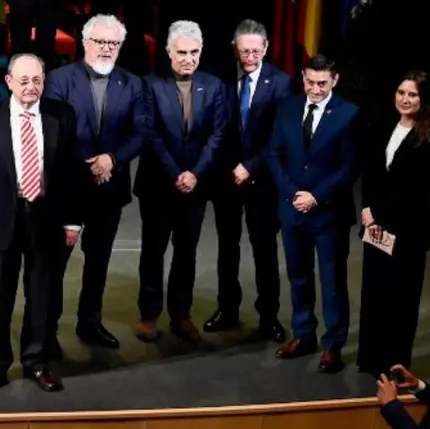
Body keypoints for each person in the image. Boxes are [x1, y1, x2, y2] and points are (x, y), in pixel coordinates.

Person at [0, 54, 84, 392]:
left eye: (37, 80)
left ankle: (36, 362)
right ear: (8, 82)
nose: (31, 87)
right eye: (23, 81)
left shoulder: (61, 115)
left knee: (41, 295)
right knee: (0, 296)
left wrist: (73, 222)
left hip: (46, 217)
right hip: (4, 218)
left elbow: (72, 173)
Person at [42, 14, 145, 353]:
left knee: (98, 261)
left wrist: (111, 160)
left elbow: (141, 131)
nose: (106, 49)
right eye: (100, 42)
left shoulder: (132, 83)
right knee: (55, 264)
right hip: (68, 189)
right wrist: (91, 162)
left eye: (113, 44)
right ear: (84, 43)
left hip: (109, 188)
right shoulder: (58, 80)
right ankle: (47, 331)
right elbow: (55, 132)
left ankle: (90, 322)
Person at [133, 21, 227, 342]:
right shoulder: (149, 84)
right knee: (153, 250)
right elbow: (149, 133)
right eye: (182, 52)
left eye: (194, 52)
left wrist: (195, 174)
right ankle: (148, 314)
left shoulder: (214, 86)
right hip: (159, 184)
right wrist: (176, 173)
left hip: (196, 185)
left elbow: (217, 134)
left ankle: (181, 314)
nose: (189, 58)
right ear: (169, 52)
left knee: (187, 251)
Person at [267, 54, 360, 373]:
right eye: (309, 82)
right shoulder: (288, 108)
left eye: (322, 83)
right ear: (303, 77)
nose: (315, 89)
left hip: (328, 214)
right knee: (298, 275)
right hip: (293, 210)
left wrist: (316, 197)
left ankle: (333, 344)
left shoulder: (348, 114)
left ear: (334, 81)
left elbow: (349, 168)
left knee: (332, 281)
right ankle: (303, 334)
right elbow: (274, 155)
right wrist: (294, 194)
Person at [205, 20, 292, 342]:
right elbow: (216, 129)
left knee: (264, 249)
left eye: (256, 50)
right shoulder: (220, 81)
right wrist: (232, 166)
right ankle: (227, 310)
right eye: (245, 51)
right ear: (235, 48)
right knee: (227, 248)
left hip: (262, 180)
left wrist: (250, 167)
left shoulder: (282, 84)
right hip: (226, 178)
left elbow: (279, 136)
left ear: (266, 48)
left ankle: (268, 318)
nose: (250, 57)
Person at [358, 70, 430, 375]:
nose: (405, 99)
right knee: (374, 292)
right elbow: (370, 172)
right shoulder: (384, 125)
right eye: (401, 92)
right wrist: (367, 211)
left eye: (413, 94)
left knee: (401, 300)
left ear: (424, 99)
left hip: (407, 230)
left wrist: (377, 213)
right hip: (375, 226)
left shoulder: (429, 135)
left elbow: (413, 188)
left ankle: (395, 364)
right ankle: (370, 358)